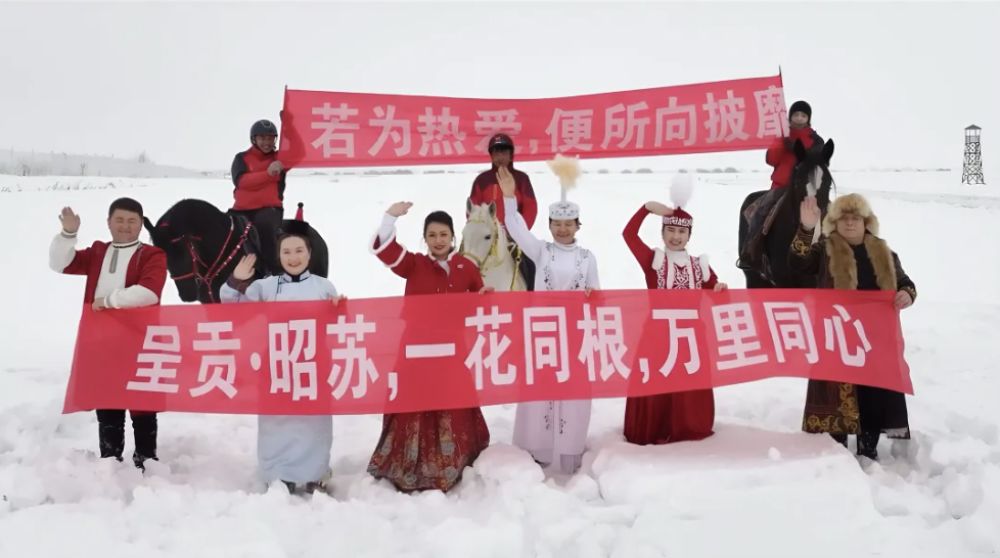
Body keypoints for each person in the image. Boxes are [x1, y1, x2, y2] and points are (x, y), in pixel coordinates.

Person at [368, 201, 491, 492]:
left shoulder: (466, 268)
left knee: (451, 400)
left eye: (443, 234)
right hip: (415, 351)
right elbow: (386, 251)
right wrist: (390, 217)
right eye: (432, 235)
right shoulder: (414, 264)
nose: (438, 240)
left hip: (451, 352)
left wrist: (484, 297)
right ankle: (407, 463)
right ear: (425, 238)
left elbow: (479, 302)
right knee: (414, 401)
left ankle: (454, 459)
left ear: (453, 237)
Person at [221, 210, 340, 494]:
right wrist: (236, 280)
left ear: (309, 253)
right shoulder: (265, 287)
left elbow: (337, 326)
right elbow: (233, 307)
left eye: (299, 250)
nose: (293, 257)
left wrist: (340, 310)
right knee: (276, 421)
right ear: (279, 255)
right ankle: (277, 473)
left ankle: (314, 473)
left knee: (315, 422)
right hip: (277, 365)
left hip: (312, 365)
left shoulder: (324, 287)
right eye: (287, 251)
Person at [792, 192, 916, 460]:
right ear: (835, 223)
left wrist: (907, 293)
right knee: (837, 394)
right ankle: (836, 455)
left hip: (875, 340)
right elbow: (796, 264)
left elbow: (906, 283)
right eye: (844, 218)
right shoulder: (823, 251)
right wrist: (806, 229)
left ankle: (868, 449)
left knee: (873, 393)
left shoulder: (884, 252)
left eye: (856, 218)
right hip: (836, 337)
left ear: (866, 222)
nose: (850, 223)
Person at [49, 198, 167, 470]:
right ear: (109, 222)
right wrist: (68, 234)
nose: (125, 226)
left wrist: (108, 301)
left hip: (139, 340)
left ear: (141, 224)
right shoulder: (98, 252)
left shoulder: (152, 255)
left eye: (132, 221)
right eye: (119, 220)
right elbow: (60, 264)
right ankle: (110, 462)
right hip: (101, 341)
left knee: (142, 402)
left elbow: (149, 292)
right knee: (107, 400)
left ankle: (146, 461)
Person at [499, 166, 599, 474]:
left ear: (578, 225)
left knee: (573, 393)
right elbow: (515, 228)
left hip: (575, 335)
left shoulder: (587, 257)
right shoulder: (541, 251)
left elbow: (597, 295)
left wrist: (591, 297)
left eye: (568, 224)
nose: (563, 230)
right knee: (539, 393)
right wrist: (509, 197)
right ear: (550, 225)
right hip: (544, 334)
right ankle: (535, 451)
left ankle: (570, 451)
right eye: (557, 224)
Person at [621, 175, 727, 444]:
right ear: (662, 232)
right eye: (671, 230)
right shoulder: (653, 260)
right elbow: (628, 235)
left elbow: (718, 295)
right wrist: (646, 209)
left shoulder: (700, 265)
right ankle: (654, 428)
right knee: (656, 381)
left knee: (688, 383)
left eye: (682, 232)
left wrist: (720, 289)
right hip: (657, 333)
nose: (676, 236)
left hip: (690, 336)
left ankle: (687, 427)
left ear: (689, 235)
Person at [739, 100, 825, 271]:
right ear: (790, 116)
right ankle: (751, 250)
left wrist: (797, 149)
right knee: (760, 212)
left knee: (828, 214)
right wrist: (780, 141)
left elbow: (816, 160)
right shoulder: (781, 136)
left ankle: (827, 256)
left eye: (803, 115)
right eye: (796, 114)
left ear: (808, 118)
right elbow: (771, 159)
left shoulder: (816, 140)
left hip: (807, 189)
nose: (799, 118)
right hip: (781, 186)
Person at [469, 133, 538, 289]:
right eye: (496, 152)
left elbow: (531, 208)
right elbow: (473, 210)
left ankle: (532, 295)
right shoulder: (482, 180)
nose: (500, 156)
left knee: (531, 265)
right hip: (487, 239)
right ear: (491, 155)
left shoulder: (521, 179)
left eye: (504, 152)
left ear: (511, 155)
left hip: (515, 240)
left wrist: (518, 232)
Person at [230, 118, 287, 274]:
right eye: (262, 138)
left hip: (269, 210)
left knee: (265, 228)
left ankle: (273, 272)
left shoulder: (280, 159)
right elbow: (241, 182)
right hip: (240, 210)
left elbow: (300, 152)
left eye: (270, 138)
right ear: (253, 139)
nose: (267, 142)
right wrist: (268, 174)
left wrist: (290, 127)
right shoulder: (241, 158)